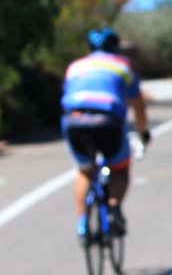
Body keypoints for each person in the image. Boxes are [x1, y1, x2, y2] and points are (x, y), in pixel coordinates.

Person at [61, 28, 150, 239]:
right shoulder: (123, 65)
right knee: (120, 169)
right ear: (115, 47)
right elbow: (138, 104)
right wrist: (143, 132)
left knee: (85, 171)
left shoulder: (75, 66)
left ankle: (82, 222)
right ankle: (114, 207)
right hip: (107, 120)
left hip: (74, 120)